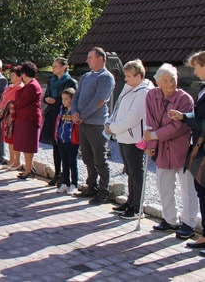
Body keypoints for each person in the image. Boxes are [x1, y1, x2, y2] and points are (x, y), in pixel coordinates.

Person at [144, 63, 197, 238]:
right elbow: (150, 121)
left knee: (187, 188)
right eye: (166, 81)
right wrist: (150, 145)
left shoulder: (184, 98)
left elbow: (179, 127)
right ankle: (170, 220)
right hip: (161, 150)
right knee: (163, 185)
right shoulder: (151, 95)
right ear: (158, 82)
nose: (170, 84)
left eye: (173, 80)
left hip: (182, 149)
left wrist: (154, 136)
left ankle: (189, 223)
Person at [104, 60, 154, 219]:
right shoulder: (130, 87)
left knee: (136, 173)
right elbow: (119, 107)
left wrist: (114, 127)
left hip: (134, 138)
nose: (125, 79)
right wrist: (110, 122)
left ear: (139, 76)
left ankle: (138, 206)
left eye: (128, 76)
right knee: (130, 172)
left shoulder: (144, 91)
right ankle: (130, 201)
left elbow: (133, 116)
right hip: (124, 136)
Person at [168, 51, 205, 250]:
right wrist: (184, 116)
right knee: (202, 192)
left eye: (197, 67)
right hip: (200, 147)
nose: (195, 71)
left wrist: (187, 119)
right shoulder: (203, 88)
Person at [71, 47, 115, 205]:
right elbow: (76, 96)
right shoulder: (85, 77)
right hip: (82, 122)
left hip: (96, 124)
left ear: (100, 59)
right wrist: (74, 112)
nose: (87, 60)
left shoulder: (106, 77)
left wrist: (81, 115)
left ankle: (104, 192)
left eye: (90, 57)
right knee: (87, 157)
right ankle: (92, 186)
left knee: (100, 158)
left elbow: (99, 100)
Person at [40, 57, 78, 186]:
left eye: (56, 66)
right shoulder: (51, 81)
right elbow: (45, 97)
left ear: (63, 67)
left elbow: (73, 98)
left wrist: (56, 100)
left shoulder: (70, 82)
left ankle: (66, 176)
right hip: (52, 113)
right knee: (55, 144)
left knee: (65, 144)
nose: (53, 68)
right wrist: (48, 100)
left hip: (64, 114)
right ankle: (57, 173)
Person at [13, 61, 42, 179]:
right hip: (25, 118)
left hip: (29, 119)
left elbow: (20, 102)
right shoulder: (30, 85)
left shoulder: (32, 86)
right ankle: (30, 167)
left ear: (24, 74)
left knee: (27, 145)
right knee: (26, 144)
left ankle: (28, 169)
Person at [0, 66, 24, 170]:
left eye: (13, 75)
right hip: (7, 117)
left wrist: (1, 106)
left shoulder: (20, 88)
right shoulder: (10, 86)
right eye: (11, 75)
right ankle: (11, 159)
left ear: (20, 77)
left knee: (14, 139)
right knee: (9, 138)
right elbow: (4, 98)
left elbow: (12, 101)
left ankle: (17, 161)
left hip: (13, 116)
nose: (11, 77)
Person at [54, 88, 79, 195]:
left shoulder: (75, 111)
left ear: (73, 99)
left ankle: (74, 184)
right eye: (62, 99)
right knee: (64, 163)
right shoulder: (61, 110)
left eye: (66, 99)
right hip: (61, 140)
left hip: (71, 142)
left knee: (72, 163)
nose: (64, 101)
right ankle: (65, 182)